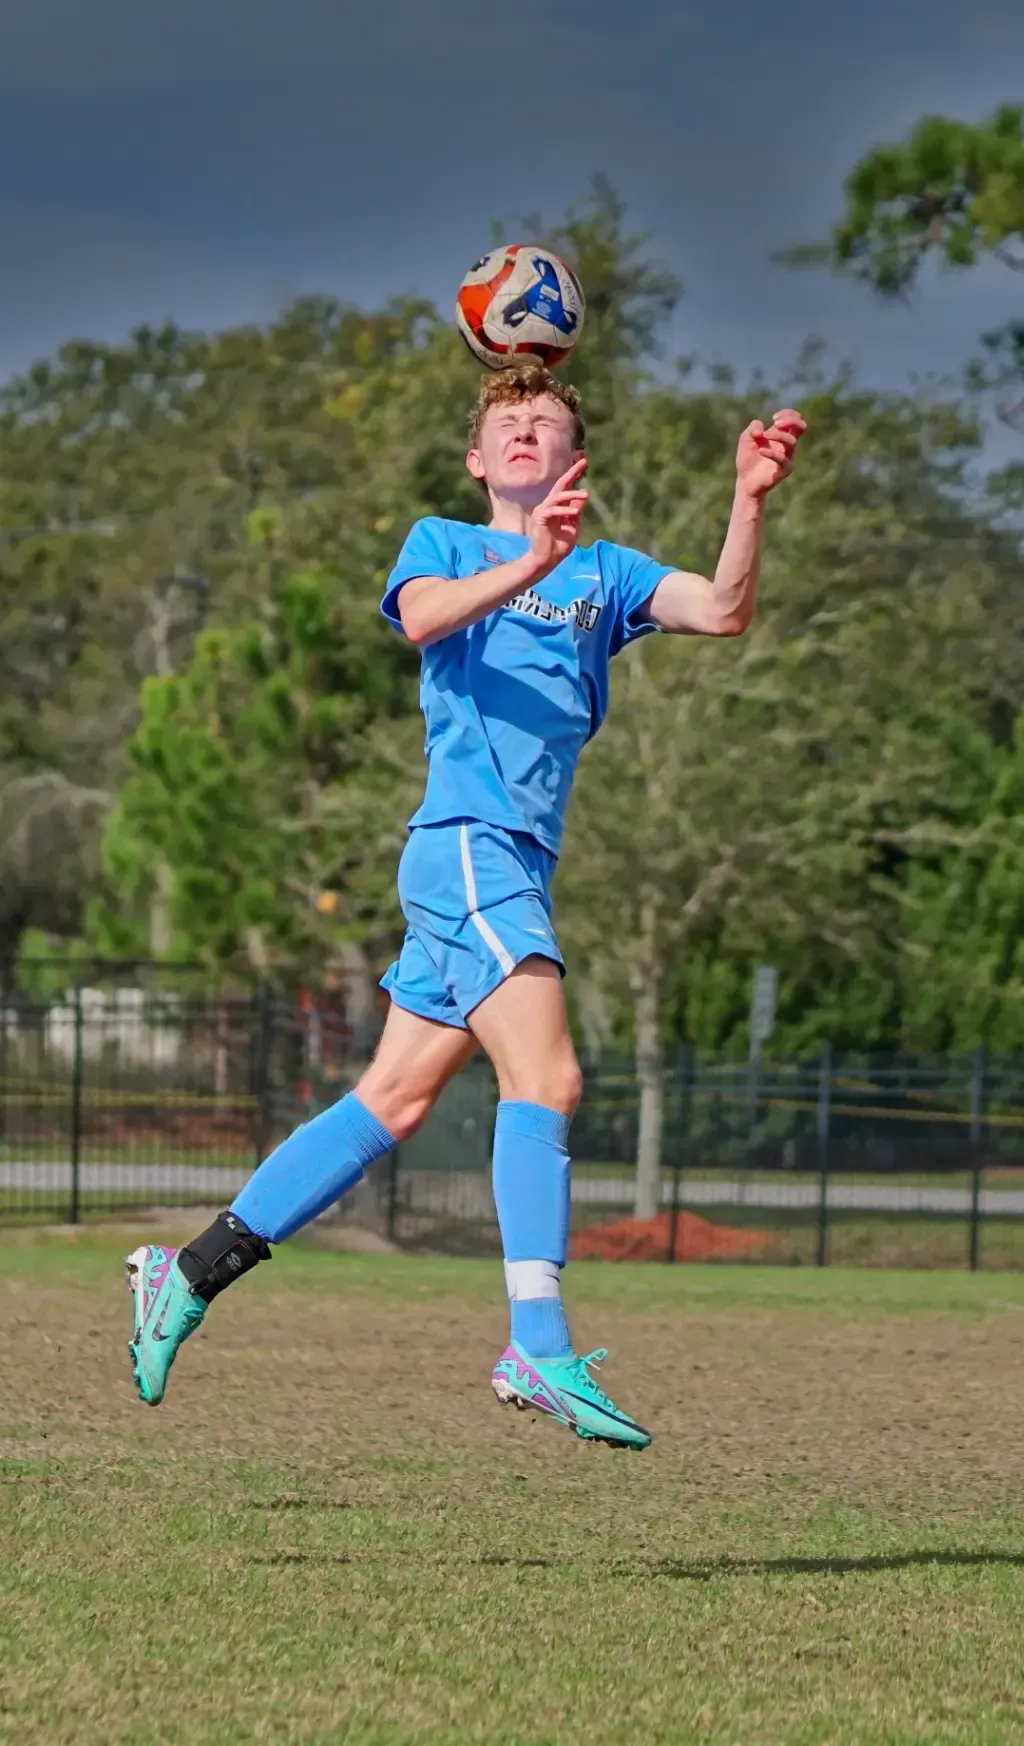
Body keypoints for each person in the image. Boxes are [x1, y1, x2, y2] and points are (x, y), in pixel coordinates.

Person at [126, 361, 805, 1447]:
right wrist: (528, 560)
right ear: (478, 461)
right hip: (466, 847)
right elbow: (422, 621)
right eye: (507, 423)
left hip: (514, 868)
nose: (526, 431)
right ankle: (534, 1343)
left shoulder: (608, 573)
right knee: (551, 1076)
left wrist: (748, 500)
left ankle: (188, 1270)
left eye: (545, 420)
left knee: (389, 1104)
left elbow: (723, 611)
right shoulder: (444, 543)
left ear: (573, 458)